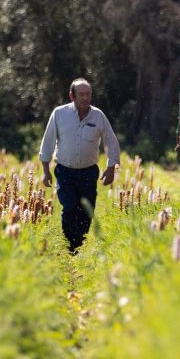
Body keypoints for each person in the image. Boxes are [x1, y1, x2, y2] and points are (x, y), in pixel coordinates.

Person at [39, 78, 120, 253]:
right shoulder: (59, 114)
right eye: (81, 94)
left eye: (88, 94)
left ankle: (79, 245)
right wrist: (45, 171)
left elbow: (111, 141)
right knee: (69, 207)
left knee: (85, 211)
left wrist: (111, 167)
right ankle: (69, 245)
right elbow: (48, 142)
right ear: (72, 96)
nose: (85, 98)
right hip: (65, 171)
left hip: (89, 173)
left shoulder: (98, 116)